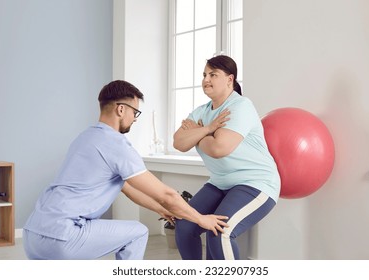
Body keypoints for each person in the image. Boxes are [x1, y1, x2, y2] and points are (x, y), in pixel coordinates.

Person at [23, 80, 228, 260]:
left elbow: (127, 188)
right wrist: (202, 219)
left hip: (32, 235)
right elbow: (166, 194)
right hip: (63, 235)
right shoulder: (116, 144)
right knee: (137, 232)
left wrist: (161, 210)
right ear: (121, 110)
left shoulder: (85, 138)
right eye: (134, 112)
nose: (135, 118)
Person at [173, 55, 281, 260]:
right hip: (220, 183)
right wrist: (209, 129)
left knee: (221, 233)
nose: (206, 79)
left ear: (230, 79)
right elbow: (179, 142)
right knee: (185, 225)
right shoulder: (201, 112)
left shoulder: (240, 106)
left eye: (213, 74)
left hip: (256, 183)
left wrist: (197, 133)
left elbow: (219, 148)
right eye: (204, 75)